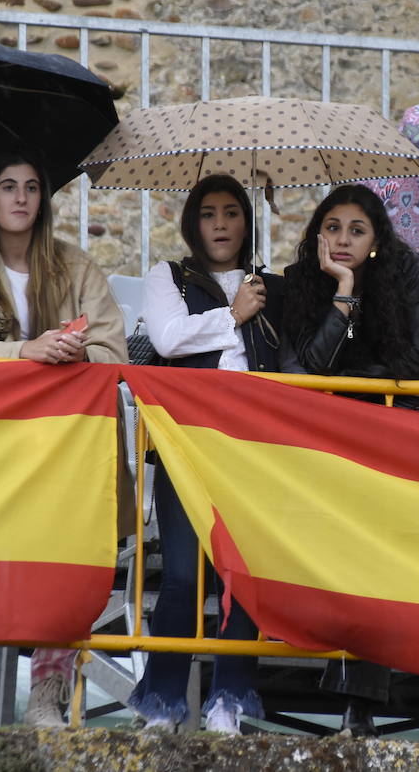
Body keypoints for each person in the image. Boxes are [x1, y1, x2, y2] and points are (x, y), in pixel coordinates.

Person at [0, 151, 126, 726]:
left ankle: (48, 693)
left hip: (66, 448)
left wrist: (71, 355)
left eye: (32, 187)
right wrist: (25, 351)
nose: (21, 198)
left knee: (67, 565)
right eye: (7, 187)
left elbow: (112, 350)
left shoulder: (76, 266)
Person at [126, 174, 282, 733]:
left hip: (248, 447)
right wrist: (233, 314)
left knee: (240, 574)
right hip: (186, 442)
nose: (221, 223)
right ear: (193, 223)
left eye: (233, 212)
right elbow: (168, 340)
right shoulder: (169, 276)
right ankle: (165, 703)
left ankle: (230, 699)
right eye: (209, 213)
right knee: (184, 574)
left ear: (247, 221)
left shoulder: (269, 286)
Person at [280, 183, 419, 736]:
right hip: (319, 443)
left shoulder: (405, 277)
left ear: (376, 241)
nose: (342, 239)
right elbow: (307, 368)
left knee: (369, 555)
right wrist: (343, 292)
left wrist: (358, 381)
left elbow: (418, 362)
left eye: (356, 230)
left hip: (389, 439)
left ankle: (359, 705)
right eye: (332, 227)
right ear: (317, 233)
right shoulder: (298, 283)